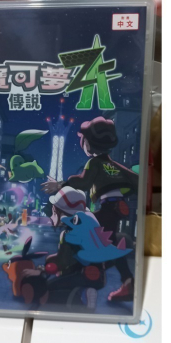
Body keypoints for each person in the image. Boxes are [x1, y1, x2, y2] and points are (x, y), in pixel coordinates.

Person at [41, 116, 138, 302]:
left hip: (107, 208)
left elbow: (83, 183)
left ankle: (84, 272)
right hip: (116, 209)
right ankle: (127, 282)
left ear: (89, 143)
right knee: (112, 241)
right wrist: (123, 192)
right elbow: (137, 181)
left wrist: (60, 185)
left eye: (83, 140)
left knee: (77, 232)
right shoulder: (115, 165)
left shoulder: (94, 163)